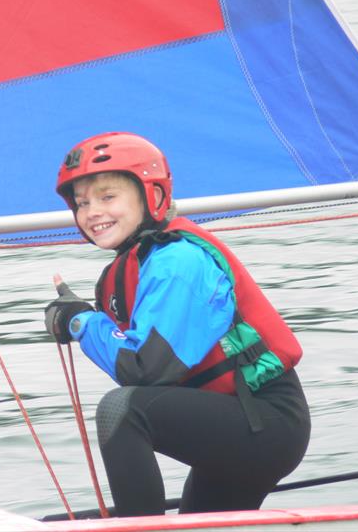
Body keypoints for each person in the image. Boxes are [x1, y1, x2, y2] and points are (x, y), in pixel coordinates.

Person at [44, 132, 311, 516]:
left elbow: (145, 370)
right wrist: (82, 319)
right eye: (82, 203)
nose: (92, 212)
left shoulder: (179, 262)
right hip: (234, 421)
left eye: (107, 197)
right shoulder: (142, 262)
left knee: (122, 410)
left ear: (152, 196)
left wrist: (79, 323)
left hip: (266, 423)